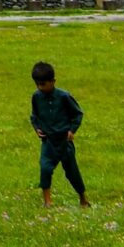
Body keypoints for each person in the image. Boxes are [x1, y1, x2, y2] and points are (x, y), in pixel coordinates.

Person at [29, 61, 88, 208]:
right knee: (45, 168)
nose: (40, 87)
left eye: (43, 84)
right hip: (48, 142)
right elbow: (34, 116)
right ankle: (47, 201)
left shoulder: (64, 97)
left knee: (72, 171)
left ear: (53, 82)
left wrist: (72, 130)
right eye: (37, 84)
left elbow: (77, 114)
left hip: (64, 141)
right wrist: (37, 129)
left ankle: (83, 198)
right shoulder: (36, 97)